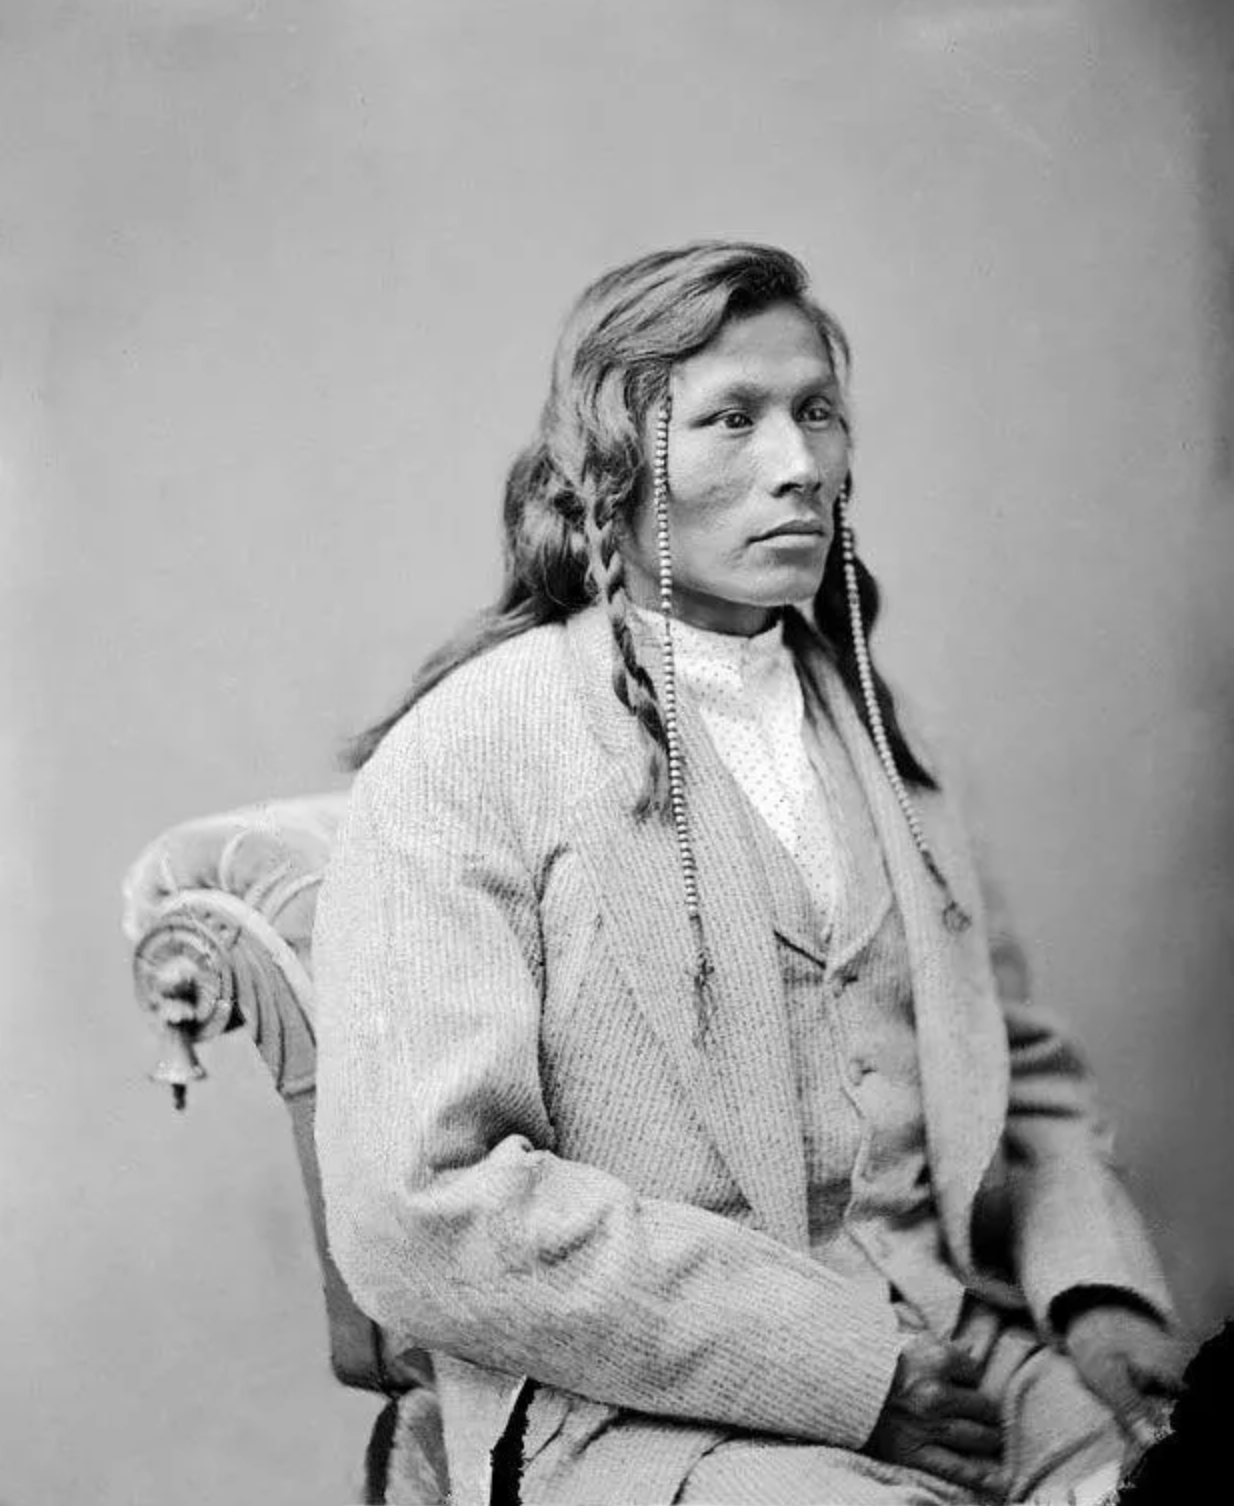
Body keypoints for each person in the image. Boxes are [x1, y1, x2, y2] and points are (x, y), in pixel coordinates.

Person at [313, 242, 1189, 1506]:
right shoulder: (470, 750)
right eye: (732, 418)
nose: (799, 464)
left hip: (962, 1351)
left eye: (816, 412)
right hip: (648, 1413)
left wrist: (1099, 1293)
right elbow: (422, 1208)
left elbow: (1017, 1067)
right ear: (615, 467)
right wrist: (837, 1369)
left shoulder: (882, 731)